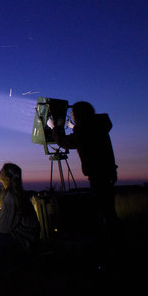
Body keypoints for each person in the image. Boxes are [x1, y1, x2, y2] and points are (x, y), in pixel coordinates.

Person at [47, 101, 118, 237]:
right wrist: (72, 127)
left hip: (98, 175)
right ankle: (112, 235)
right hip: (108, 172)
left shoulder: (83, 130)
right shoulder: (99, 125)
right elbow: (86, 135)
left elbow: (65, 142)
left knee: (103, 212)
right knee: (109, 209)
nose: (72, 115)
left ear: (79, 114)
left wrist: (53, 127)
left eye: (73, 113)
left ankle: (109, 240)